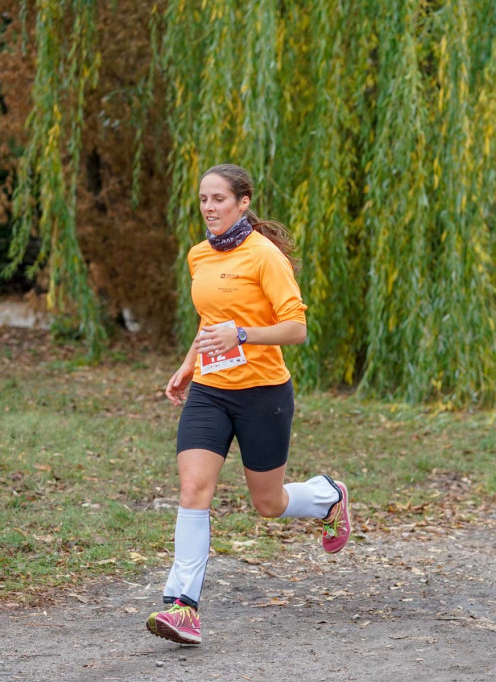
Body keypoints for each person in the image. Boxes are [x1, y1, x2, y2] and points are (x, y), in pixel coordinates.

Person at [145, 164, 351, 646]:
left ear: (243, 203)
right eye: (203, 199)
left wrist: (241, 334)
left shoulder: (264, 256)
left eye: (218, 199)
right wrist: (189, 364)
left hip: (263, 394)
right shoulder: (198, 255)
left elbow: (296, 329)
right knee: (193, 489)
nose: (208, 208)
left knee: (268, 503)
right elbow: (209, 320)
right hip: (210, 392)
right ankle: (182, 606)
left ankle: (328, 497)